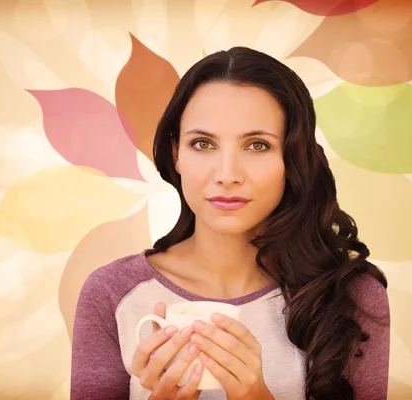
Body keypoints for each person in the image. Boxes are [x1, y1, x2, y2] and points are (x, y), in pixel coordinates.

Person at [70, 46, 390, 400]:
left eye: (257, 145)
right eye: (203, 143)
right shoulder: (111, 293)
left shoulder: (350, 296)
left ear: (291, 157)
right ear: (176, 153)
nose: (227, 175)